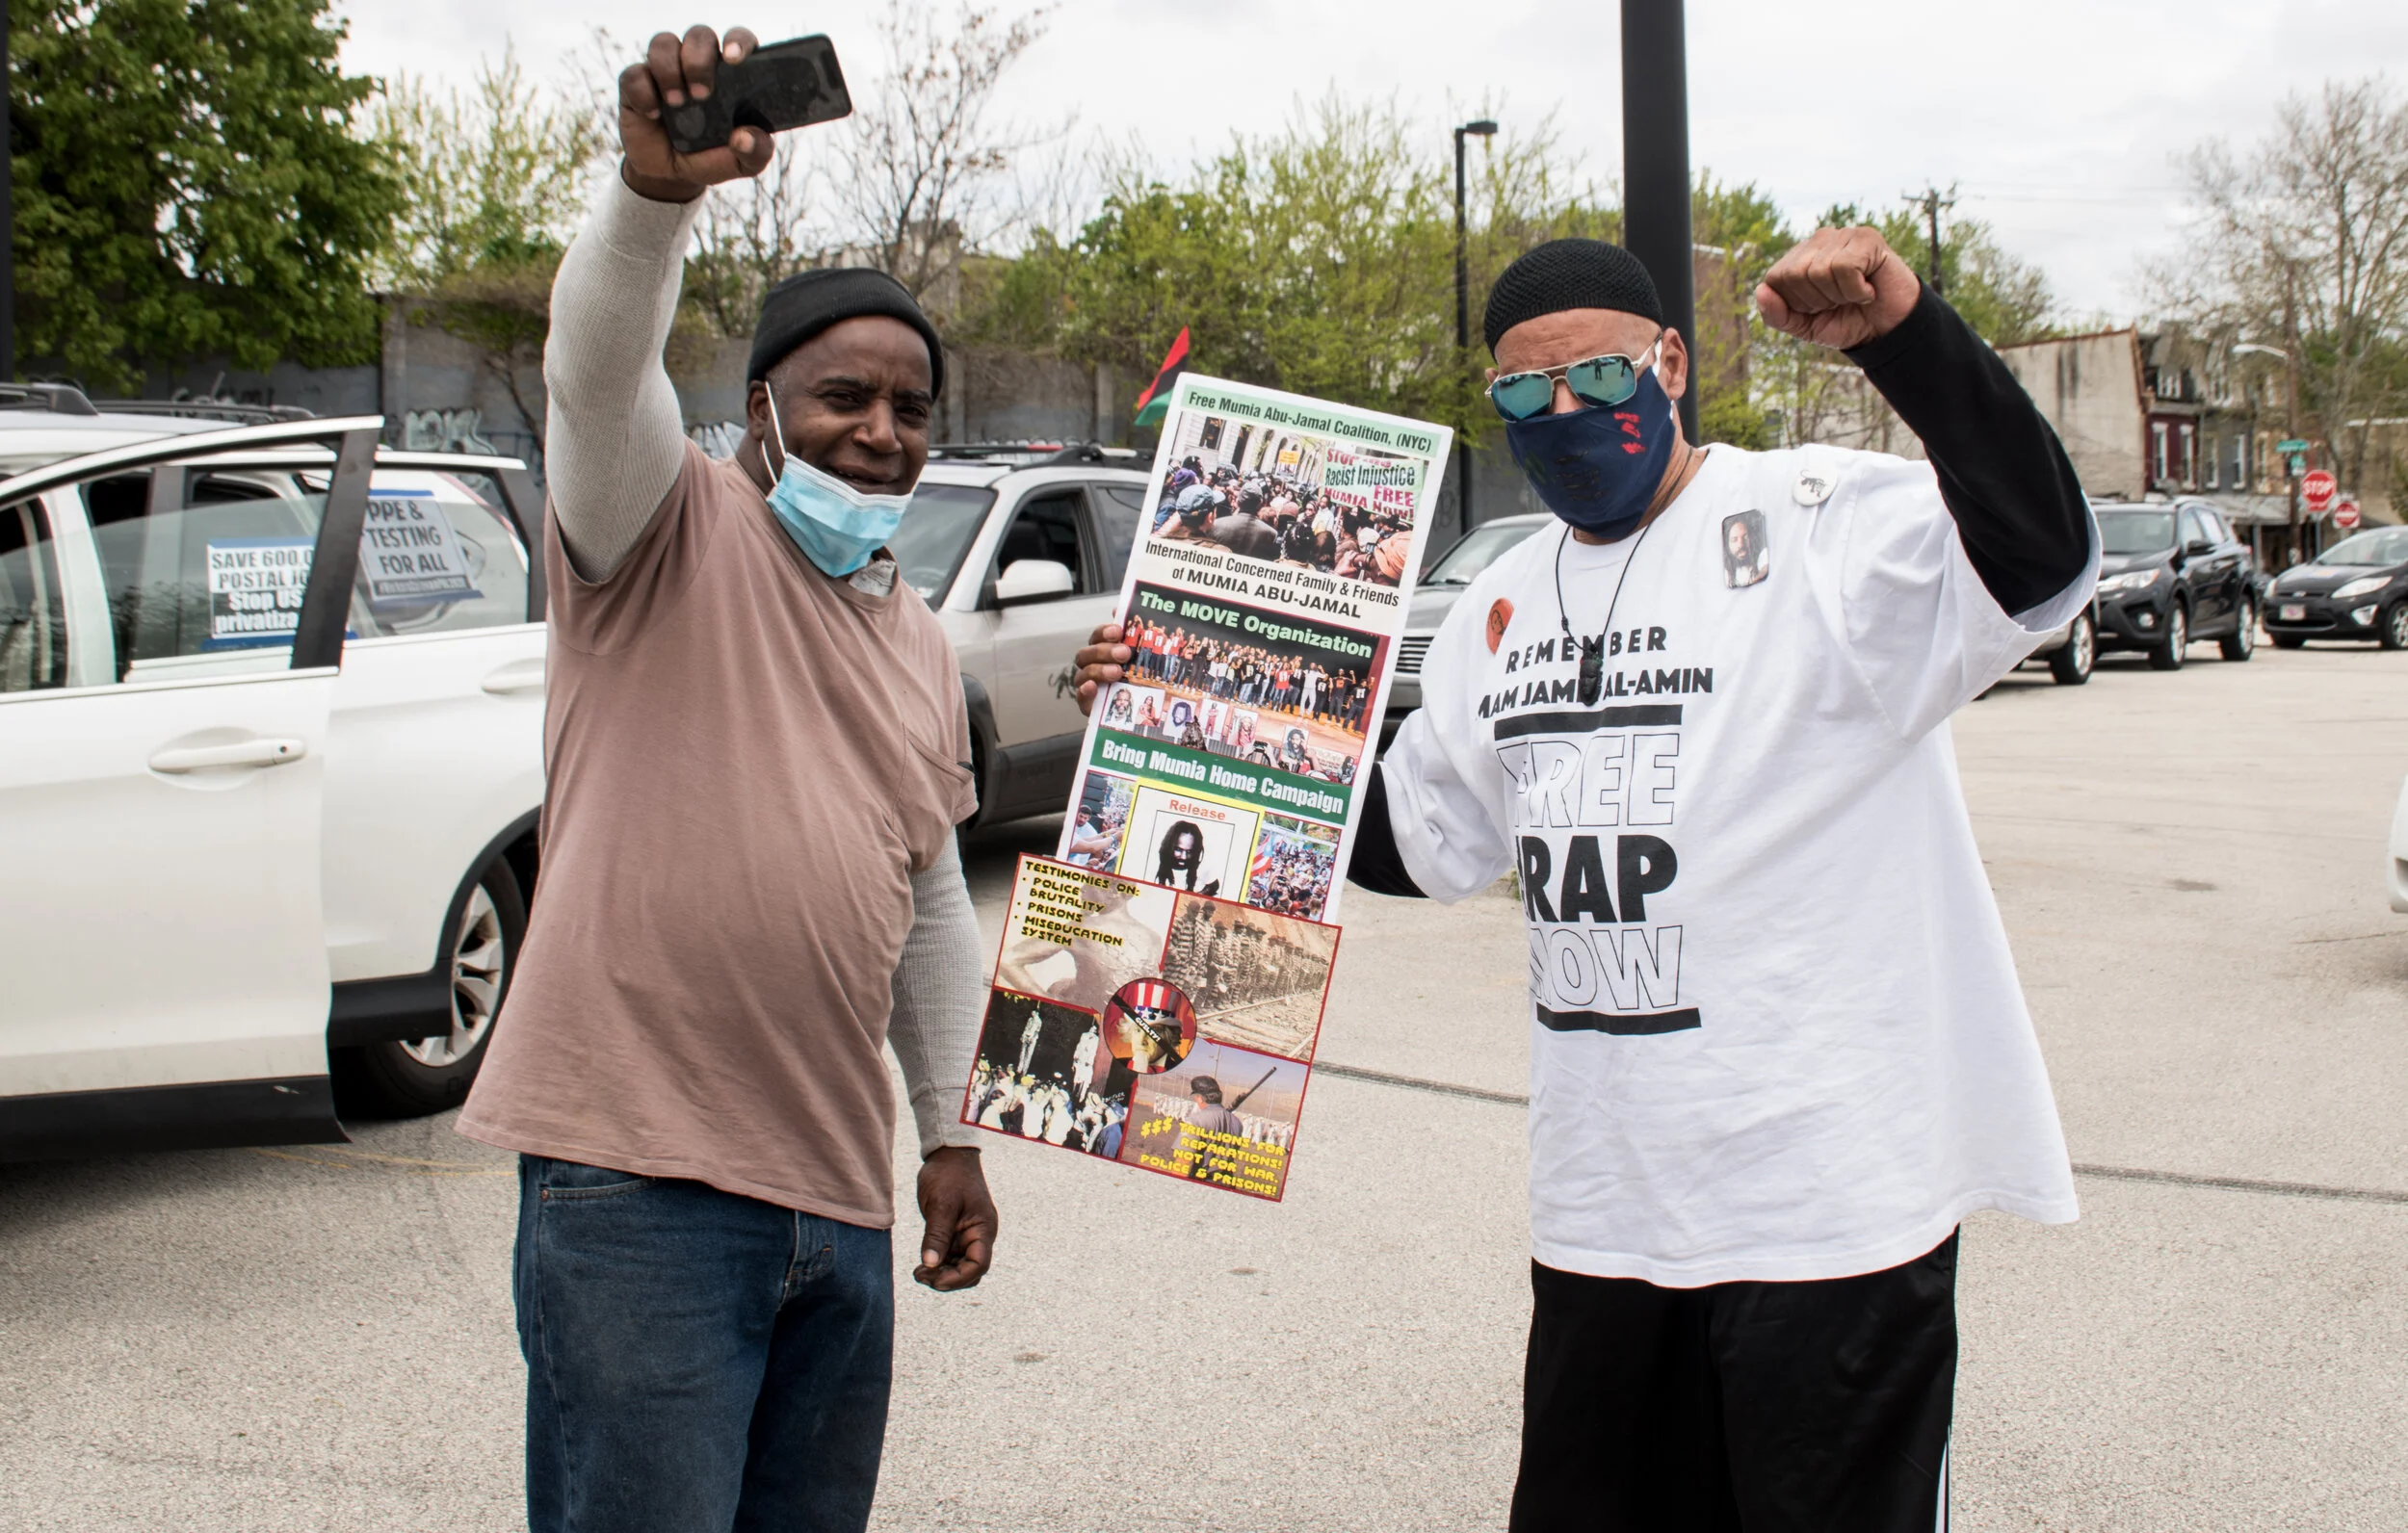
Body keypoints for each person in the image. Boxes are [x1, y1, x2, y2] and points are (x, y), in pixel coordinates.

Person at [1073, 231, 2095, 1529]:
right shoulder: (1502, 603)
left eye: (1603, 381)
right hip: (1605, 1213)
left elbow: (2040, 557)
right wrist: (1186, 709)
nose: (1565, 415)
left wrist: (1909, 341)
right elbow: (1417, 834)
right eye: (1522, 395)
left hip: (1828, 1210)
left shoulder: (1818, 522)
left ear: (1670, 364)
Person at [453, 29, 997, 1533]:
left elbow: (932, 901)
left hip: (837, 1202)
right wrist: (649, 201)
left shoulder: (916, 640)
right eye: (842, 398)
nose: (880, 434)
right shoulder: (656, 529)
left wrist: (945, 1133)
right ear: (760, 410)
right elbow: (592, 365)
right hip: (637, 1196)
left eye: (909, 408)